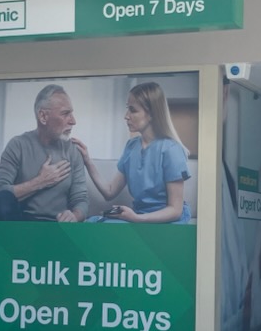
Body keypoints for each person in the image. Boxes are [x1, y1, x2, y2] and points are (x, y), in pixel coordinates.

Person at [73, 81, 191, 224]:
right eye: (127, 109)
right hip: (140, 216)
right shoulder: (131, 146)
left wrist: (136, 218)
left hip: (167, 222)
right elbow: (109, 192)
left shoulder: (171, 150)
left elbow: (175, 210)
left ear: (151, 114)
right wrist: (87, 160)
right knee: (93, 223)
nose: (126, 116)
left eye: (132, 110)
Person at [0, 83, 87, 222]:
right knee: (2, 200)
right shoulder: (18, 145)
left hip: (58, 226)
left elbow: (81, 199)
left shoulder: (73, 151)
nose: (73, 121)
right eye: (65, 114)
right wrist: (40, 182)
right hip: (20, 225)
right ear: (43, 116)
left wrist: (74, 216)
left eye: (72, 113)